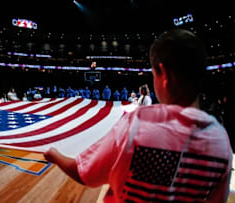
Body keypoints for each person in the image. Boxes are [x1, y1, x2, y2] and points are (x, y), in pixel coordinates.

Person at [44, 29, 232, 203]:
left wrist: (55, 155)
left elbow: (85, 174)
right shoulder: (221, 142)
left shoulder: (137, 124)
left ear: (164, 75)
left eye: (153, 73)